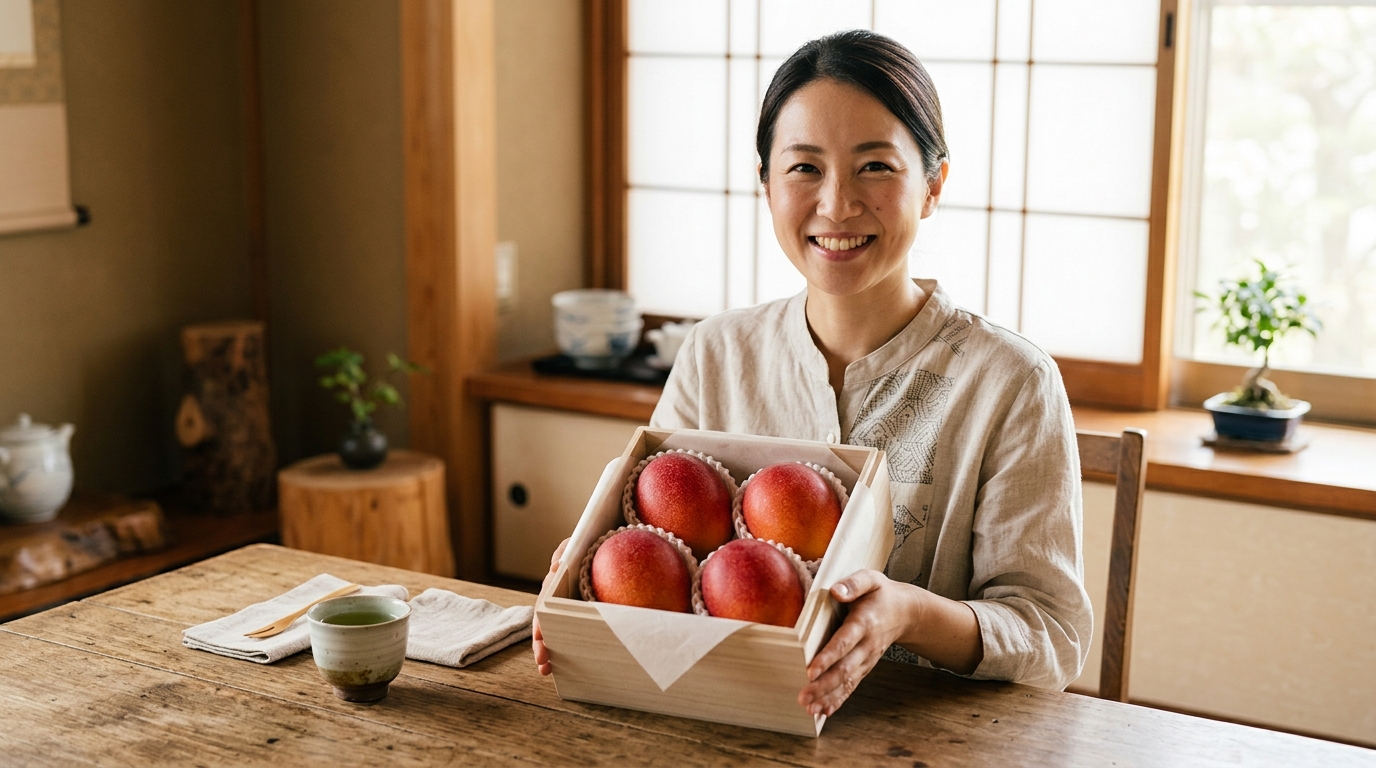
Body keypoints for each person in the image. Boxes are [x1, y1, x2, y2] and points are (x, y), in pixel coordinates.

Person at [534, 30, 1092, 718]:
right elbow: (657, 541)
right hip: (725, 715)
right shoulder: (717, 353)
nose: (836, 205)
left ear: (932, 186)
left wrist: (908, 614)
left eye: (875, 167)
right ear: (765, 184)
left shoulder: (1010, 381)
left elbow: (1053, 638)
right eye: (803, 168)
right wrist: (590, 571)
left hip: (924, 734)